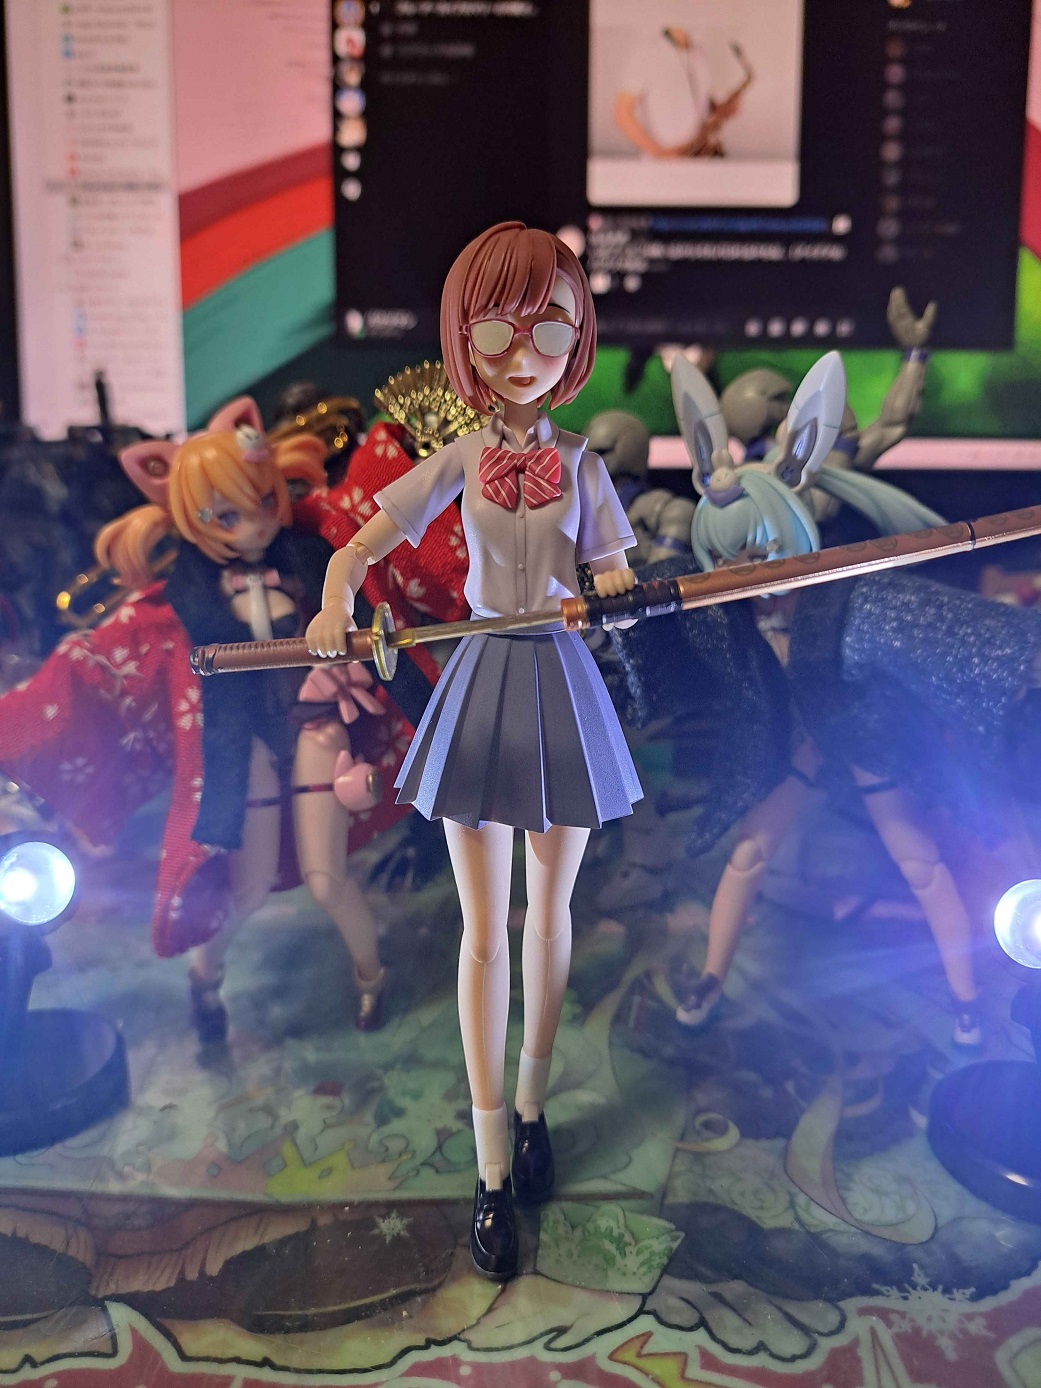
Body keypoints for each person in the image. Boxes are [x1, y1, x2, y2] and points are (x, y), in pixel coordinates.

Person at [306, 222, 642, 1279]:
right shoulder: (460, 458)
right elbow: (362, 542)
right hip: (484, 677)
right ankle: (491, 1162)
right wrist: (335, 596)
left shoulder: (582, 465)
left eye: (549, 327)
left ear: (578, 337)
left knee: (552, 915)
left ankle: (533, 1106)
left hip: (560, 679)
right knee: (483, 930)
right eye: (497, 328)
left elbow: (615, 569)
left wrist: (612, 589)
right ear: (464, 339)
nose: (523, 352)